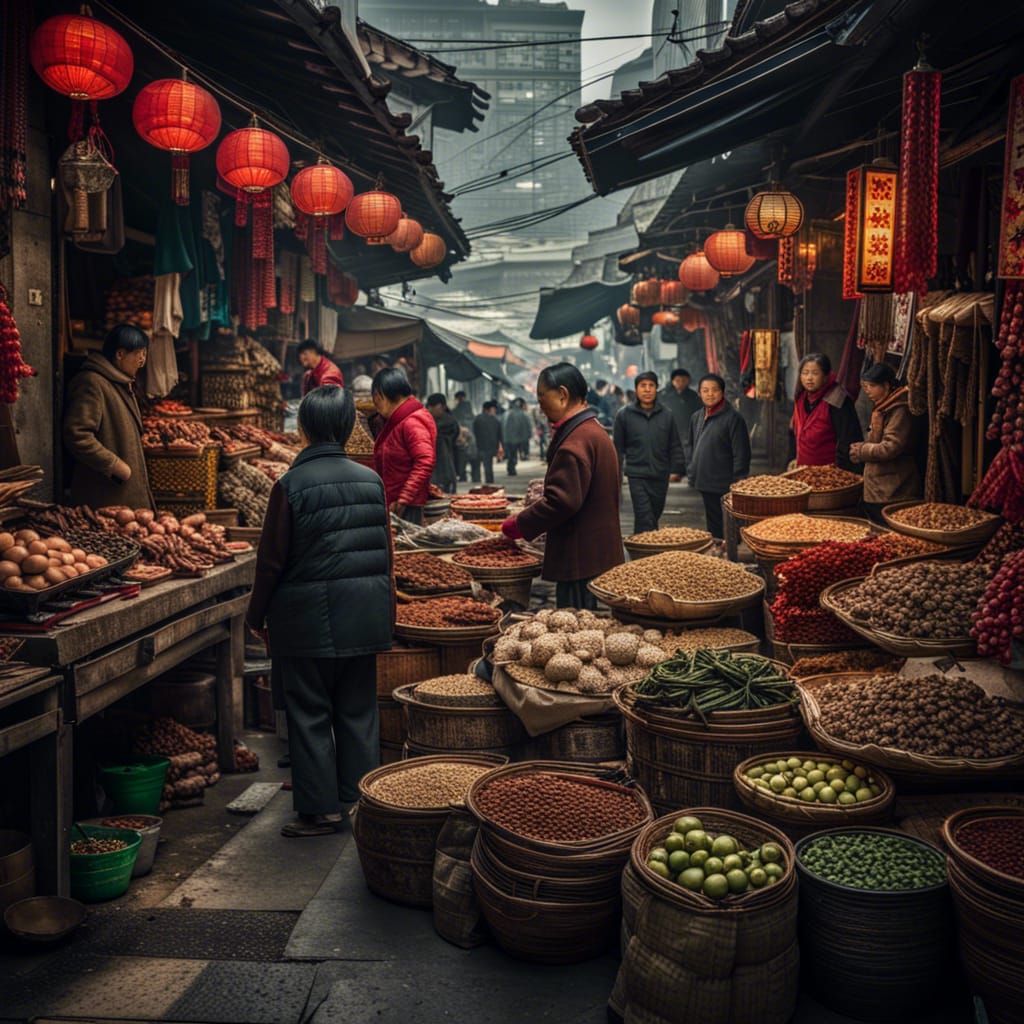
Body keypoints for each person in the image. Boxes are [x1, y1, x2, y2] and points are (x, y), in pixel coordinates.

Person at [245, 386, 392, 837]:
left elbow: (271, 562)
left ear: (303, 428)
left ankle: (321, 811)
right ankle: (361, 801)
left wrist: (256, 615)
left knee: (309, 713)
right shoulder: (372, 481)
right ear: (349, 427)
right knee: (358, 710)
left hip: (306, 619)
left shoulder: (290, 485)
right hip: (364, 612)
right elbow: (385, 551)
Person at [502, 363, 622, 608]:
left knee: (577, 623)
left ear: (563, 395)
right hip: (597, 550)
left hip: (580, 555)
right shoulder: (592, 431)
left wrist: (520, 524)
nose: (541, 407)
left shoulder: (576, 442)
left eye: (541, 398)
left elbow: (561, 501)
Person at [63, 324, 155, 510]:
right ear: (120, 354)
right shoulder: (92, 382)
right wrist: (114, 465)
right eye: (138, 353)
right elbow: (77, 434)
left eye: (144, 354)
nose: (142, 361)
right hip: (106, 494)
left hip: (122, 493)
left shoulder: (120, 382)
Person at [613, 371, 685, 535]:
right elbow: (617, 449)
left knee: (654, 514)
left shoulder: (667, 415)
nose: (647, 390)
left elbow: (674, 444)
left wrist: (677, 469)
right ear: (636, 389)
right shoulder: (624, 415)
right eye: (643, 386)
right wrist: (615, 475)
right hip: (637, 475)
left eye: (651, 386)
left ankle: (642, 547)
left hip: (660, 474)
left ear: (656, 389)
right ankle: (648, 553)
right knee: (644, 514)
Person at [850, 363, 921, 523]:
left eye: (872, 386)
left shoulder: (900, 410)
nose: (868, 391)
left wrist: (862, 450)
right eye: (866, 386)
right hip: (879, 487)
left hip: (894, 488)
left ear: (887, 385)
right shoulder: (882, 408)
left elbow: (891, 447)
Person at [685, 373, 751, 539]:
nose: (710, 394)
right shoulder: (696, 417)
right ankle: (718, 552)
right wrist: (691, 472)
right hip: (704, 480)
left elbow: (741, 452)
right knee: (713, 521)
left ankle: (729, 555)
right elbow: (692, 446)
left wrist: (739, 480)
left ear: (722, 392)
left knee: (728, 522)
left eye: (714, 390)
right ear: (699, 393)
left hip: (725, 481)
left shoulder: (733, 418)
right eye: (705, 390)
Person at [371, 368, 436, 524]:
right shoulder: (398, 420)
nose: (375, 405)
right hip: (397, 500)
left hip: (407, 506)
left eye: (375, 398)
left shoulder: (411, 421)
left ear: (381, 395)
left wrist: (404, 498)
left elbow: (425, 460)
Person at [789, 353, 862, 471]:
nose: (809, 378)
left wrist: (838, 472)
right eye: (805, 373)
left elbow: (847, 441)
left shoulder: (837, 399)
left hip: (830, 473)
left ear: (825, 376)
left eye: (815, 373)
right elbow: (794, 432)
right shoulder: (801, 398)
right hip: (802, 471)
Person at [660, 368, 701, 478]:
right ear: (673, 381)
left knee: (688, 451)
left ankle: (689, 473)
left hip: (687, 428)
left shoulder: (694, 396)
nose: (681, 383)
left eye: (684, 380)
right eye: (678, 380)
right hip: (669, 427)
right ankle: (674, 471)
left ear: (688, 381)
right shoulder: (664, 395)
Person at [426, 393, 458, 494]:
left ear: (443, 406)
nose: (430, 410)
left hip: (444, 462)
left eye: (433, 407)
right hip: (434, 464)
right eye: (429, 407)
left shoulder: (448, 421)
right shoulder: (427, 419)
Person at [472, 401, 503, 484]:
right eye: (493, 409)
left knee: (476, 465)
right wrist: (499, 447)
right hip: (490, 447)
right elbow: (500, 435)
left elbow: (474, 432)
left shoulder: (477, 419)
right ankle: (489, 481)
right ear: (488, 409)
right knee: (488, 466)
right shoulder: (495, 420)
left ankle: (476, 479)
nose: (495, 411)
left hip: (479, 446)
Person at [503, 399, 532, 476]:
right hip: (518, 439)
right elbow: (527, 427)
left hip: (508, 439)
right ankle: (511, 468)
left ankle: (510, 468)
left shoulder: (507, 414)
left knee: (511, 454)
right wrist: (528, 436)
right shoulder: (523, 414)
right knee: (514, 454)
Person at [452, 390, 475, 482]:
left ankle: (463, 476)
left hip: (462, 436)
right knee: (471, 458)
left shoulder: (456, 410)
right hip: (469, 436)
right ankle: (474, 476)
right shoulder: (468, 408)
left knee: (462, 458)